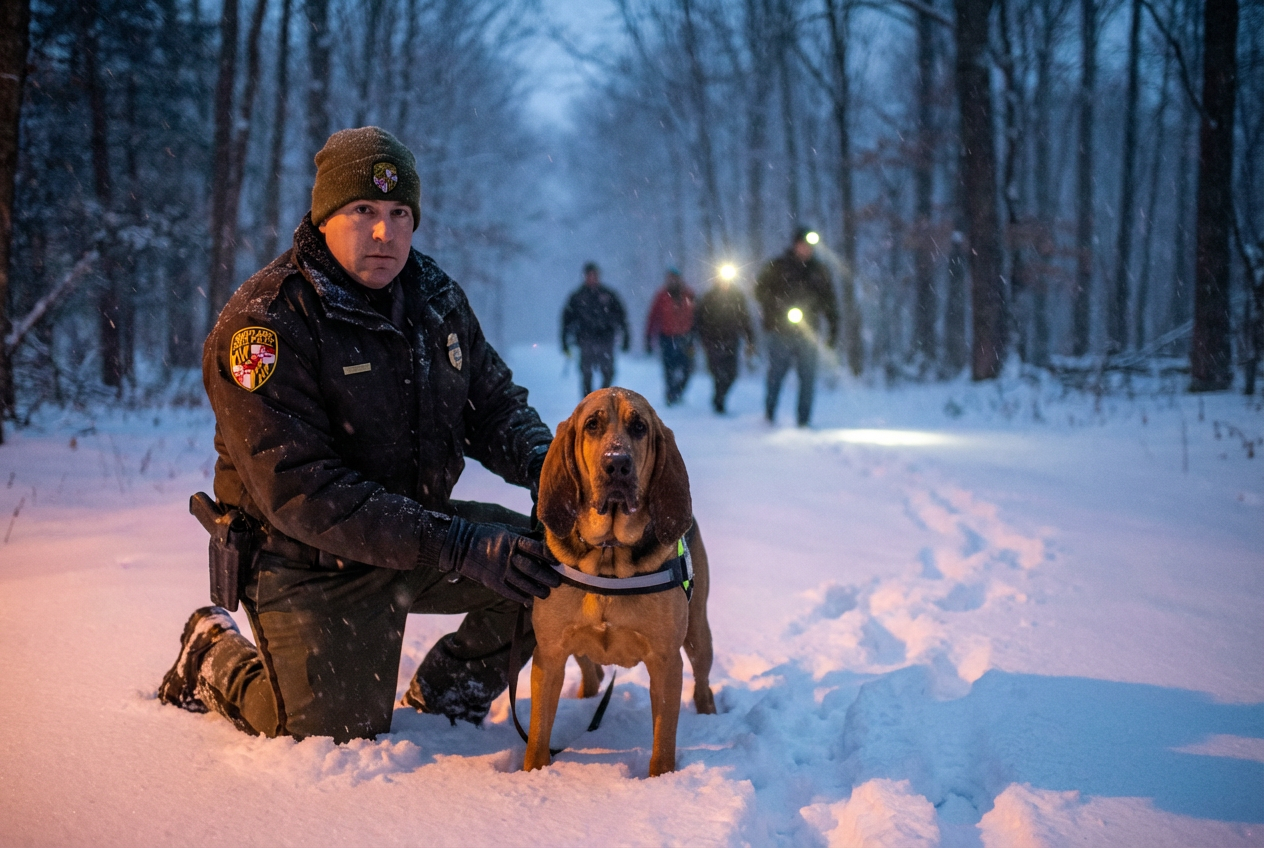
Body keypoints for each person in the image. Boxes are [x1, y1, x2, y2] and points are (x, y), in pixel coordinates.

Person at [157, 127, 561, 742]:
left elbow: (494, 405)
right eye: (363, 211)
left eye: (400, 213)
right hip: (307, 561)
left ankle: (445, 705)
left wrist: (551, 469)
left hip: (414, 537)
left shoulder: (437, 299)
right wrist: (459, 545)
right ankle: (213, 652)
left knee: (544, 570)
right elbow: (301, 490)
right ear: (324, 218)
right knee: (331, 731)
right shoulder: (265, 325)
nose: (385, 232)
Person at [754, 227, 840, 427]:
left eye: (809, 246)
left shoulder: (819, 271)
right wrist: (775, 306)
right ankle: (769, 413)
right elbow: (759, 291)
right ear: (795, 245)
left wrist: (833, 328)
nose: (805, 249)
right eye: (802, 245)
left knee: (808, 378)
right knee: (776, 374)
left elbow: (829, 301)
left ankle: (803, 420)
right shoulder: (778, 266)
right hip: (779, 330)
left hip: (808, 332)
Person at [560, 263, 630, 398]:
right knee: (586, 374)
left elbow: (621, 317)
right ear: (585, 276)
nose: (592, 278)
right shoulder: (577, 297)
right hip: (585, 339)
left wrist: (626, 336)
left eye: (594, 275)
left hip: (606, 339)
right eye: (589, 275)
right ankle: (589, 402)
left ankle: (602, 399)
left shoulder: (608, 295)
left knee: (608, 371)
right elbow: (566, 320)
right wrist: (564, 341)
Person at [696, 272, 756, 414]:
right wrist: (700, 337)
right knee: (717, 372)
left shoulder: (737, 297)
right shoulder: (709, 297)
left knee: (732, 374)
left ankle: (720, 397)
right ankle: (719, 400)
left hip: (731, 340)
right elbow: (698, 319)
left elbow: (744, 318)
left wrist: (750, 339)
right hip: (712, 341)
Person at [644, 268, 697, 406]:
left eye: (675, 278)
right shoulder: (661, 296)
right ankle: (670, 393)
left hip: (686, 338)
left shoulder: (689, 294)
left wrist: (696, 335)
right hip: (667, 338)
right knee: (669, 368)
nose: (673, 281)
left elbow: (697, 316)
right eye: (670, 278)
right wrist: (649, 337)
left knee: (688, 368)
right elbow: (653, 317)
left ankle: (677, 391)